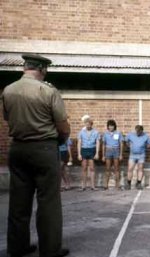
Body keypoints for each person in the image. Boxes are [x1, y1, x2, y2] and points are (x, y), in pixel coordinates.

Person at [2, 54, 70, 257]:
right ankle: (50, 249)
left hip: (18, 148)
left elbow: (7, 117)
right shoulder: (47, 90)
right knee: (48, 201)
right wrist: (61, 139)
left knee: (18, 201)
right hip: (44, 148)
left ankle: (17, 246)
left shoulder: (8, 90)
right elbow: (62, 125)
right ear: (41, 69)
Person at [125, 125, 150, 190]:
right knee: (130, 169)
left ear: (142, 131)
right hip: (132, 155)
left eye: (139, 132)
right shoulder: (130, 135)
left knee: (140, 169)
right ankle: (128, 183)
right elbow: (126, 141)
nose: (138, 133)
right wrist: (129, 146)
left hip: (141, 155)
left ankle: (139, 183)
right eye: (137, 131)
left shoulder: (145, 136)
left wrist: (145, 147)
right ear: (135, 130)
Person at [77, 117, 100, 191]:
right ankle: (83, 186)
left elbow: (97, 143)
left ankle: (92, 186)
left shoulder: (96, 132)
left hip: (92, 150)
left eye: (89, 124)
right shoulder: (81, 132)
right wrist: (79, 154)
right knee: (84, 168)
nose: (87, 125)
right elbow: (79, 143)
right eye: (86, 123)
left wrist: (97, 153)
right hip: (84, 149)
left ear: (91, 124)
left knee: (92, 168)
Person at [102, 119, 124, 190]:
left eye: (112, 126)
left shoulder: (118, 133)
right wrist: (103, 155)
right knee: (107, 168)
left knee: (116, 168)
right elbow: (103, 144)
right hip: (108, 150)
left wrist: (120, 154)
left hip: (116, 150)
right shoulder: (105, 134)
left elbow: (121, 144)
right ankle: (106, 185)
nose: (111, 127)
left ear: (114, 126)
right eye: (109, 126)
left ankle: (117, 185)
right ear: (107, 127)